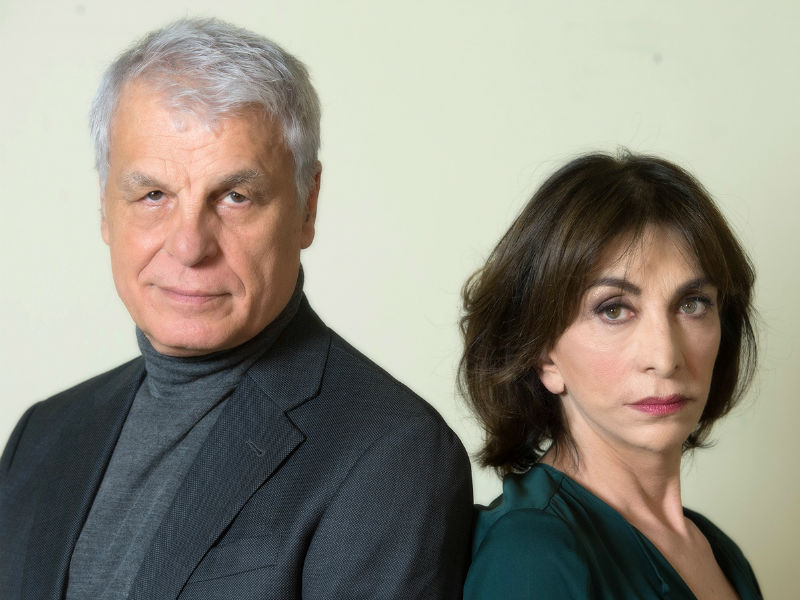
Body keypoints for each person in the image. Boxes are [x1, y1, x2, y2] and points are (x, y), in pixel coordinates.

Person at [0, 18, 472, 599]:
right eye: (153, 195)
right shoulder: (42, 435)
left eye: (235, 197)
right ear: (105, 207)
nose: (189, 246)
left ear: (307, 206)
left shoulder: (391, 455)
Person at [460, 151, 762, 599]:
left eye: (692, 303)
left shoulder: (718, 551)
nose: (665, 357)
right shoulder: (531, 555)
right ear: (544, 356)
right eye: (614, 309)